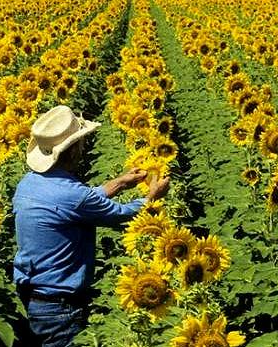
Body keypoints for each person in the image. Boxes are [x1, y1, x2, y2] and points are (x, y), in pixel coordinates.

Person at [12, 105, 170, 346]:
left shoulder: (28, 183)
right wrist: (151, 198)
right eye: (82, 142)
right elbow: (119, 214)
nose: (84, 146)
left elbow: (74, 203)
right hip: (60, 305)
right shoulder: (73, 195)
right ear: (73, 149)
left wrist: (117, 184)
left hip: (33, 295)